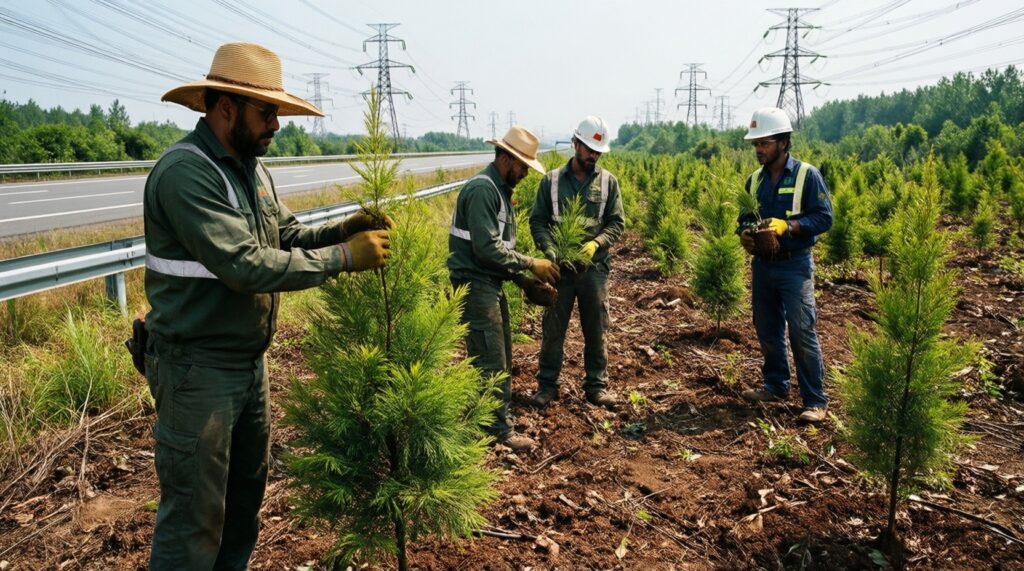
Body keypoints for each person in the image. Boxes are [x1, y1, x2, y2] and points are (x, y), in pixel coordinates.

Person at [143, 43, 391, 569]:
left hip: (246, 366)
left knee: (241, 509)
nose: (276, 123)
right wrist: (345, 257)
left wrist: (342, 227)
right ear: (226, 106)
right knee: (193, 520)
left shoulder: (251, 170)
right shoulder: (187, 173)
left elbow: (288, 234)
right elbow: (246, 266)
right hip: (197, 369)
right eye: (268, 111)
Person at [448, 126, 561, 451]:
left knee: (501, 355)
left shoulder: (499, 192)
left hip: (490, 283)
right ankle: (496, 431)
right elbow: (486, 249)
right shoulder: (484, 190)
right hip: (475, 285)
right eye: (523, 165)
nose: (526, 172)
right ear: (507, 158)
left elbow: (497, 251)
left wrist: (523, 282)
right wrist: (530, 264)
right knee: (491, 360)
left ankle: (487, 420)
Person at [737, 107, 833, 424]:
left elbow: (824, 218)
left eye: (764, 143)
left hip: (795, 266)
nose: (758, 150)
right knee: (767, 329)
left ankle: (815, 401)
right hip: (763, 267)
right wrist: (745, 236)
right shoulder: (753, 182)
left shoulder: (807, 175)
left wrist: (788, 226)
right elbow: (743, 221)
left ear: (783, 142)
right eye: (756, 144)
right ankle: (776, 385)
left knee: (802, 330)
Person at [529, 116, 625, 409]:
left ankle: (596, 386)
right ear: (575, 144)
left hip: (593, 270)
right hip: (560, 270)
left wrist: (596, 243)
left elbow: (616, 223)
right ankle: (547, 385)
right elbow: (538, 221)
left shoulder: (609, 183)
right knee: (553, 328)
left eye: (598, 152)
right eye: (588, 149)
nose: (593, 156)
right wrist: (549, 250)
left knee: (596, 326)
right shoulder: (552, 182)